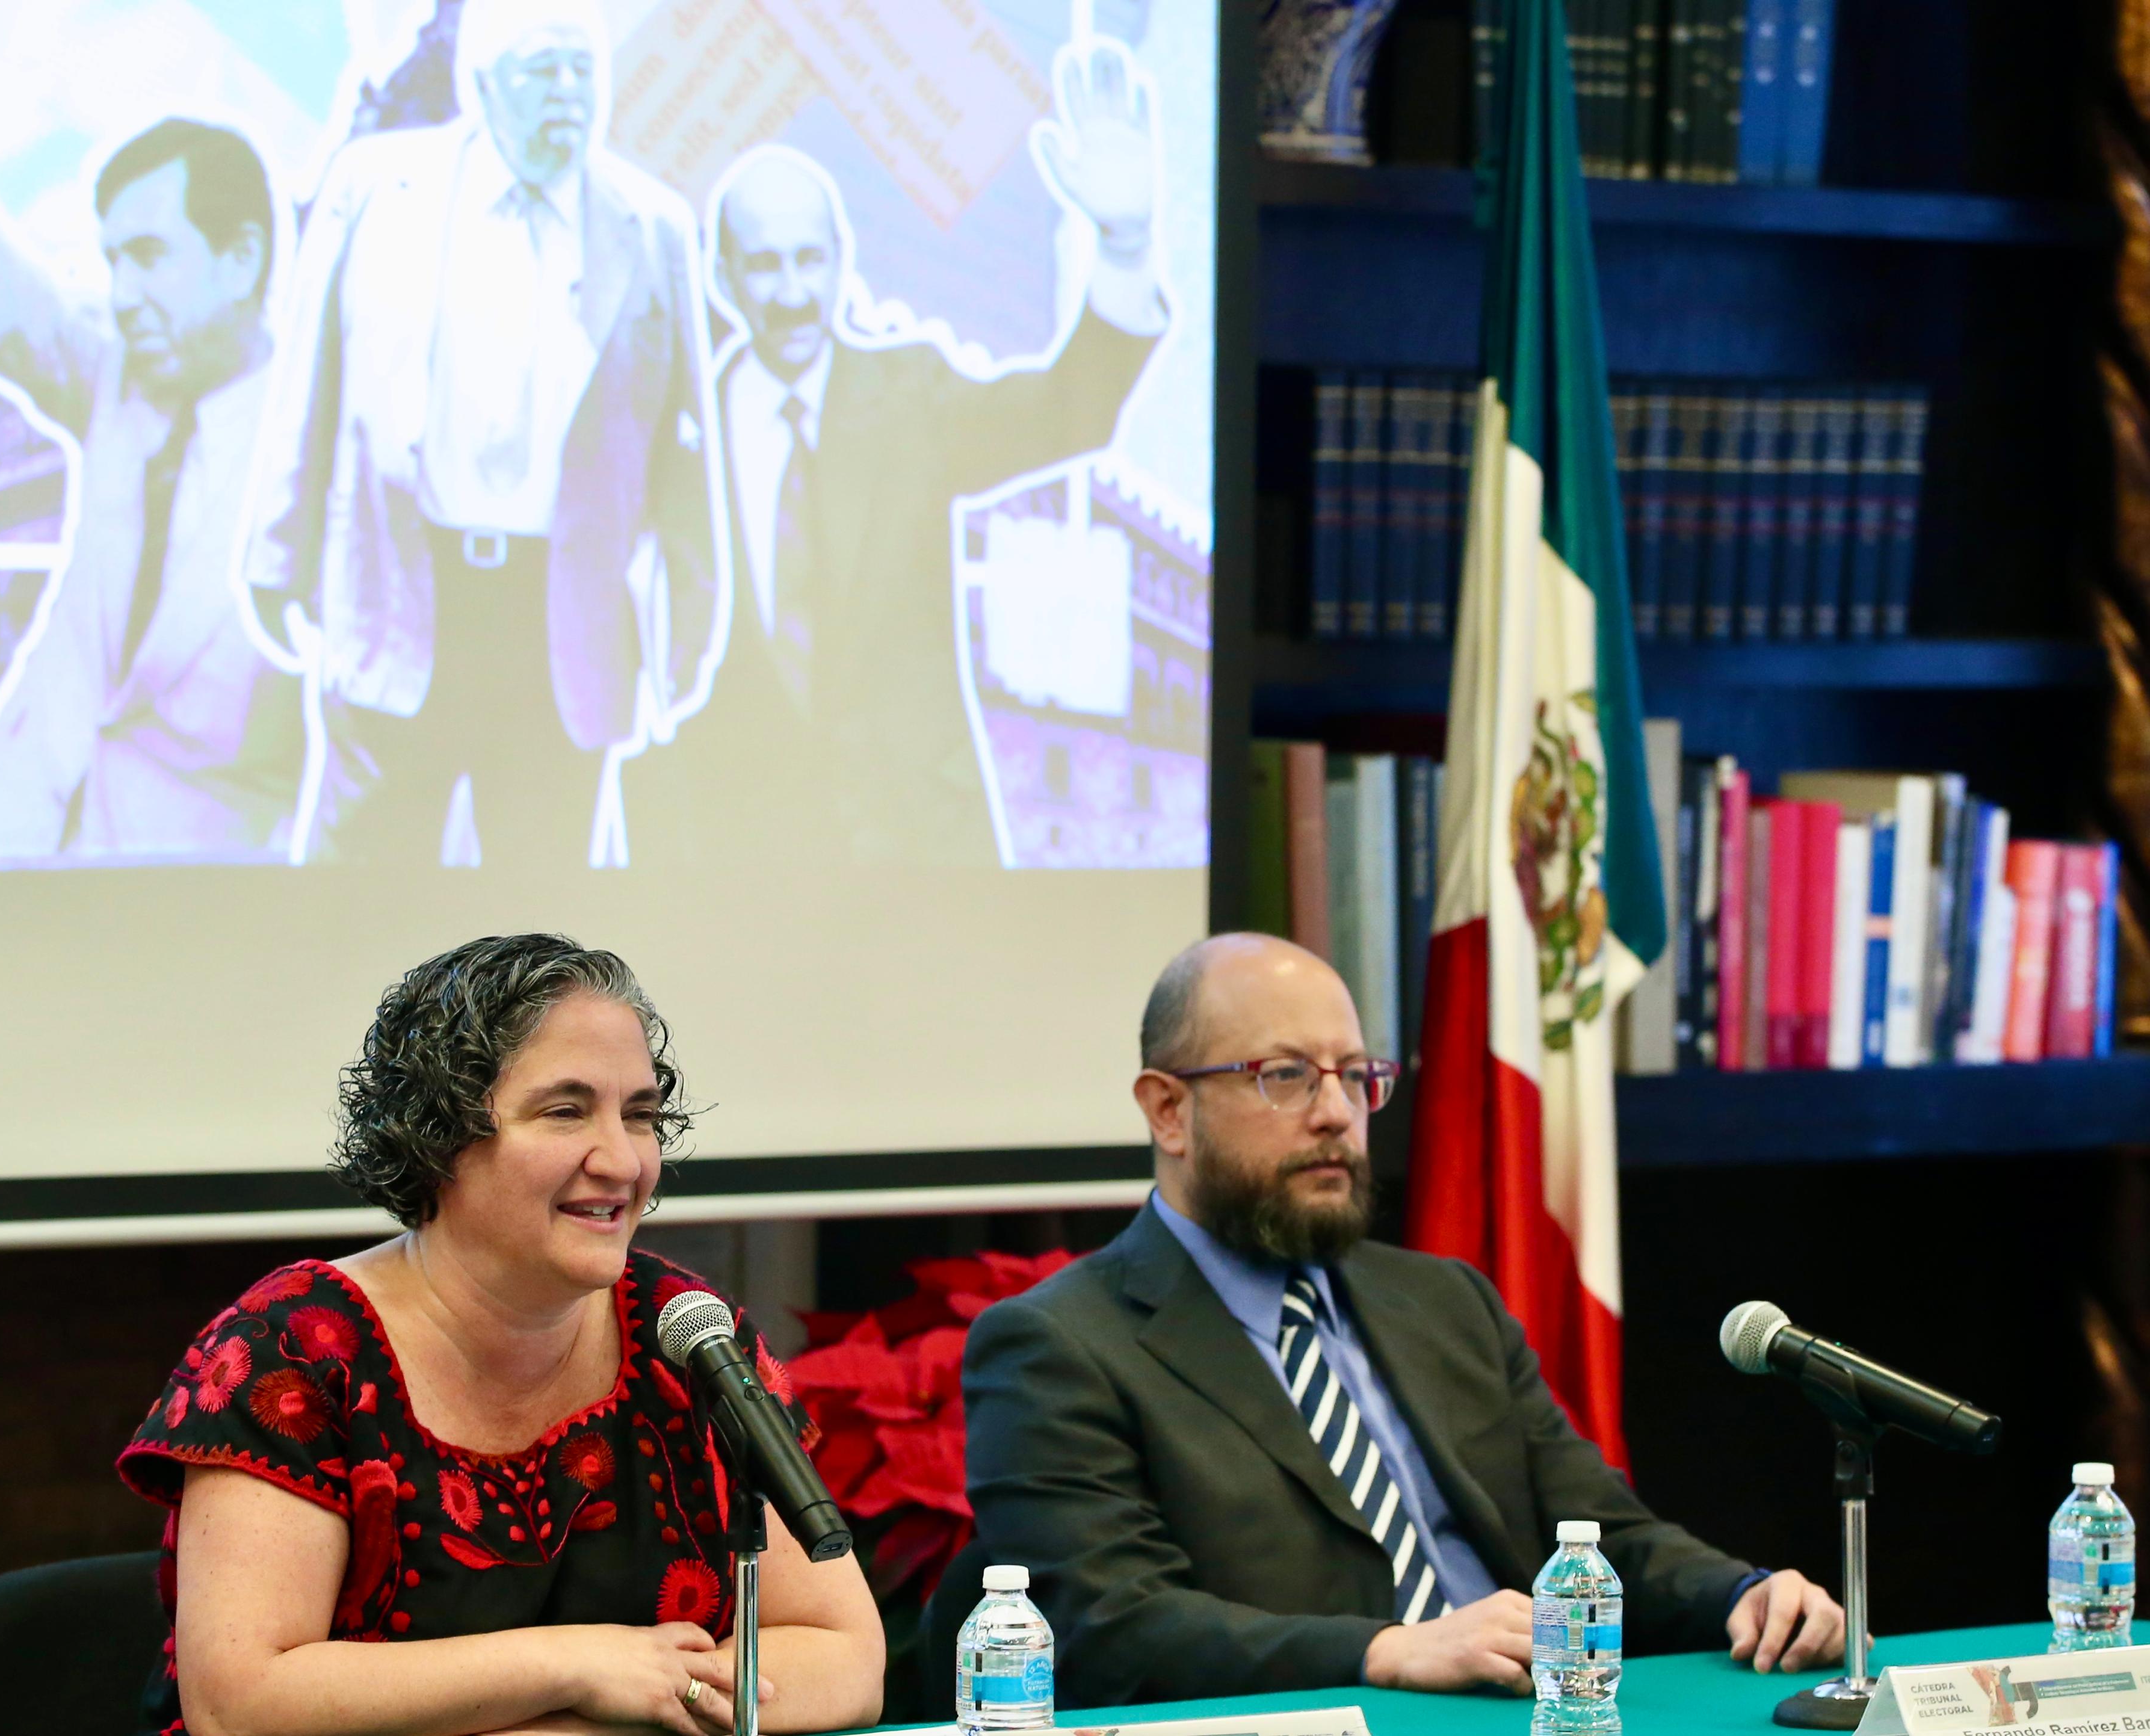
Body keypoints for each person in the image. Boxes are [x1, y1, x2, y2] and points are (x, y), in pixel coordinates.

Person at [960, 932, 1848, 1705]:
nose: (1337, 1113)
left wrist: (1739, 1593)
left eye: (1356, 1076)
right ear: (1167, 1110)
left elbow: (1599, 1528)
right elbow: (1114, 1627)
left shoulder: (1444, 1301)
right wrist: (1385, 1650)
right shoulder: (1058, 1343)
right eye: (1286, 1076)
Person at [117, 934, 882, 1736]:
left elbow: (846, 1656)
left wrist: (586, 1722)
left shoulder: (679, 1330)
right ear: (439, 1134)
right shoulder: (295, 1349)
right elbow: (239, 1705)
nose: (623, 1162)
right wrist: (577, 1665)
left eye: (641, 1115)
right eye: (565, 1111)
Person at [623, 39, 1167, 866]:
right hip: (734, 852)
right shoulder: (675, 419)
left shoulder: (910, 394)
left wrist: (1124, 248)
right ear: (722, 280)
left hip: (922, 838)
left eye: (811, 259)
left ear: (842, 261)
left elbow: (1063, 414)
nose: (795, 292)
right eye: (765, 267)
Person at [240, 0, 721, 870]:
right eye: (542, 72)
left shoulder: (653, 227)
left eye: (583, 71)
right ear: (483, 83)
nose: (567, 94)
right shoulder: (376, 190)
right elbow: (311, 379)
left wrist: (692, 619)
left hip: (560, 622)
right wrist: (277, 554)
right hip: (402, 588)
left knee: (538, 937)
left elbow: (684, 450)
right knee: (358, 898)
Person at [0, 0, 301, 861]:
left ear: (241, 260)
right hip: (2, 852)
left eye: (150, 256)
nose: (122, 293)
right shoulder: (111, 371)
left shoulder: (320, 446)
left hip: (203, 904)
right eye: (113, 258)